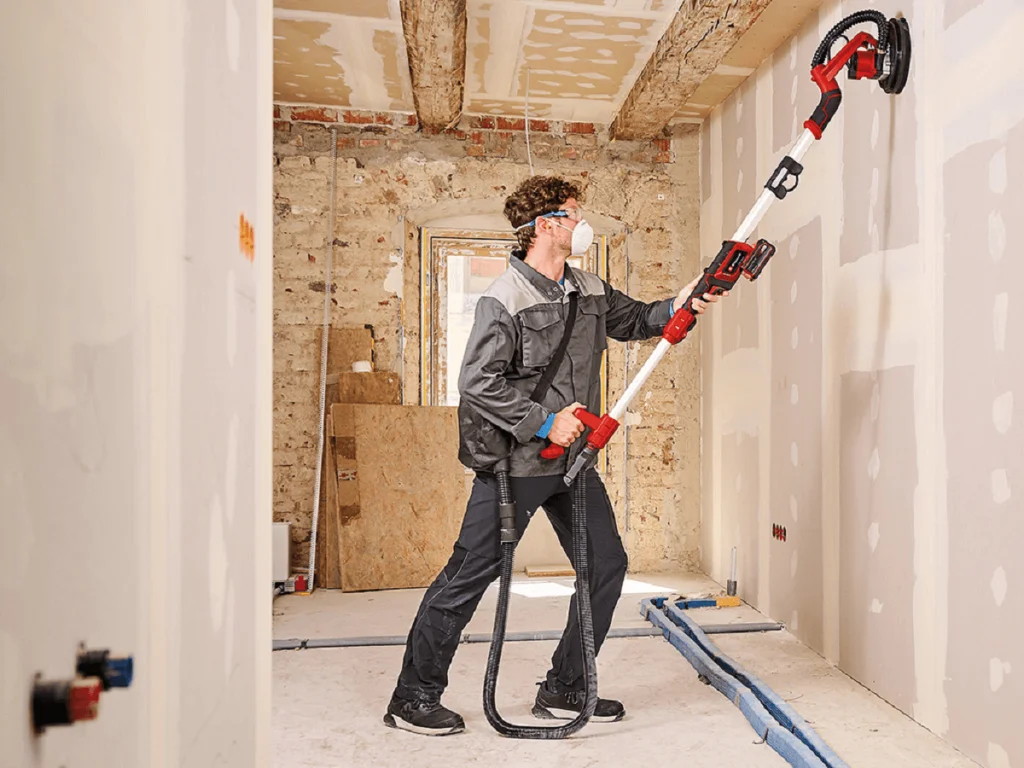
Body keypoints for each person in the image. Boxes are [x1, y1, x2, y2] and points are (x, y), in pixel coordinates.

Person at [383, 175, 724, 736]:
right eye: (572, 213)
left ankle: (566, 686)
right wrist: (545, 420)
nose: (580, 223)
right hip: (517, 465)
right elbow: (477, 383)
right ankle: (413, 697)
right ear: (545, 226)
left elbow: (639, 319)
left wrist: (688, 297)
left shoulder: (587, 288)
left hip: (573, 464)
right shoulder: (504, 298)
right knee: (467, 577)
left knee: (606, 564)